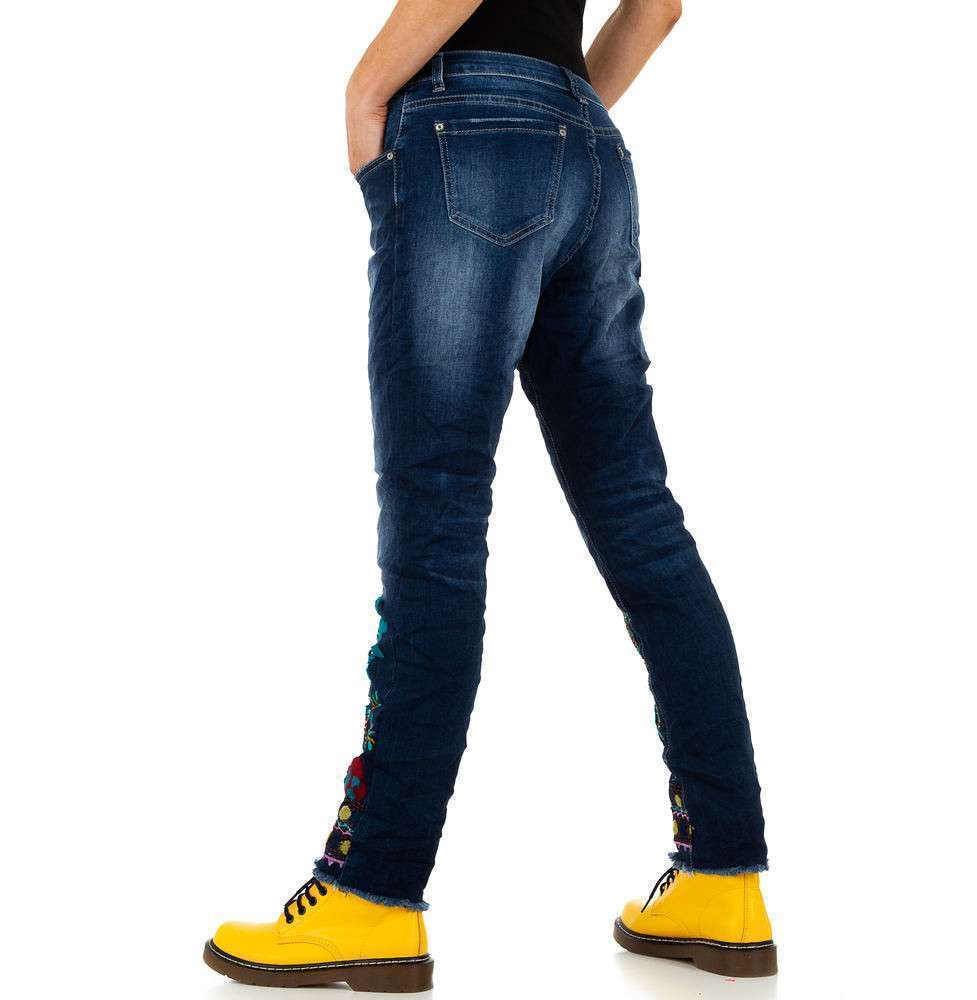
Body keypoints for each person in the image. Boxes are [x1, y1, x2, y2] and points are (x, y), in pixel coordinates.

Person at [203, 0, 776, 990]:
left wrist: (365, 92)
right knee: (639, 516)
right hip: (590, 152)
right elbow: (661, 4)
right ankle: (723, 881)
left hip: (464, 126)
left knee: (437, 519)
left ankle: (370, 894)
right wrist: (561, 110)